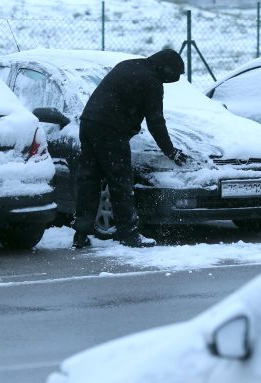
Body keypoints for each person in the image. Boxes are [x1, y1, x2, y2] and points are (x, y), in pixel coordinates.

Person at [72, 48, 189, 249]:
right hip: (110, 130)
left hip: (89, 123)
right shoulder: (151, 81)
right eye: (172, 77)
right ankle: (128, 233)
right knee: (121, 182)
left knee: (89, 179)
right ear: (165, 68)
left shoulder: (128, 65)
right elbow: (156, 121)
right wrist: (170, 150)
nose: (169, 82)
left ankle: (81, 233)